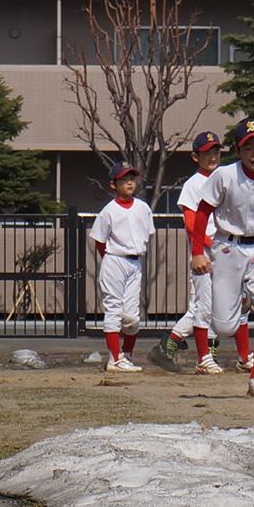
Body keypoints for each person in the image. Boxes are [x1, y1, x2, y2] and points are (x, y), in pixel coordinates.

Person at [188, 118, 254, 399]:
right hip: (227, 248)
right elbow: (202, 213)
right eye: (247, 148)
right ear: (238, 152)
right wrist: (197, 251)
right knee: (223, 327)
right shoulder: (224, 175)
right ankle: (243, 298)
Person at [154, 132, 236, 376]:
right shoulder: (194, 184)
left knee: (213, 305)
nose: (212, 156)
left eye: (216, 152)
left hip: (225, 250)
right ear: (195, 156)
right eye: (206, 153)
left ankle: (167, 348)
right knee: (203, 305)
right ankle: (203, 357)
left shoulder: (225, 178)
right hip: (204, 250)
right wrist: (207, 243)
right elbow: (191, 222)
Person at [90, 162, 154, 373]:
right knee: (114, 310)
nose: (129, 183)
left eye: (132, 179)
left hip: (135, 262)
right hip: (115, 259)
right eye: (124, 179)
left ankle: (126, 355)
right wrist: (109, 260)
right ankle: (115, 359)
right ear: (113, 184)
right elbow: (100, 241)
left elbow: (146, 235)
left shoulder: (143, 207)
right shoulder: (108, 211)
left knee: (132, 316)